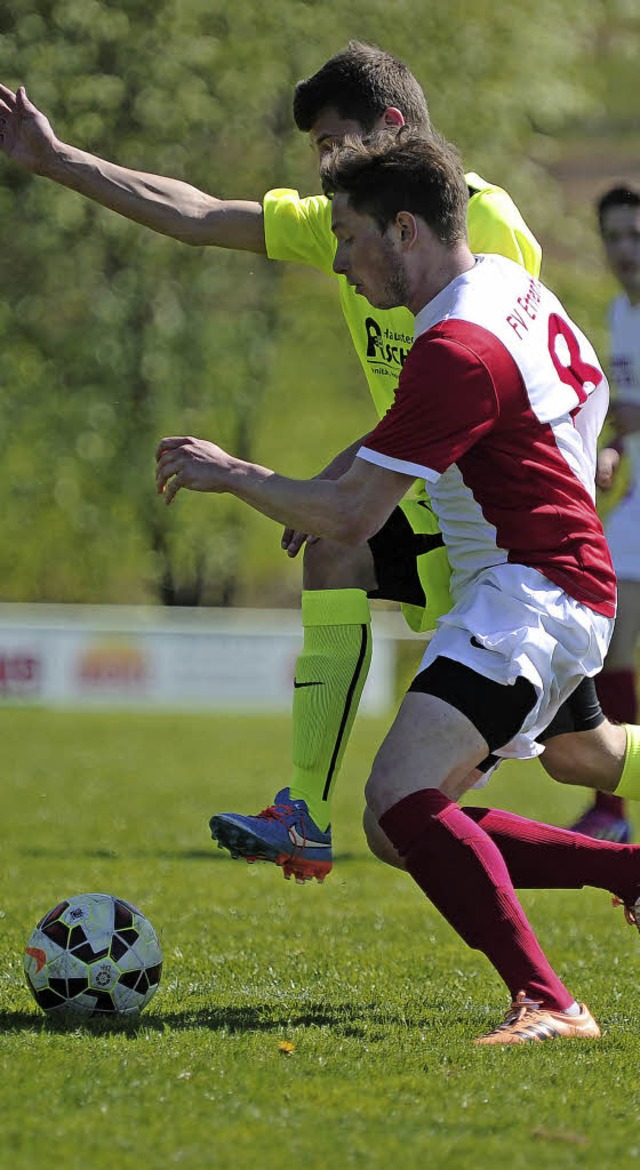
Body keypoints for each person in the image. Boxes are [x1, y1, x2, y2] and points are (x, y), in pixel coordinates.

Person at [2, 43, 640, 883]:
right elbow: (197, 214)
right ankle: (303, 811)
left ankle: (332, 819)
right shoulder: (343, 220)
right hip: (433, 488)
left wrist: (337, 481)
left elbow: (518, 375)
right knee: (573, 753)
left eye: (336, 145)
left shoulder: (478, 226)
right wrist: (58, 161)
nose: (325, 172)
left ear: (392, 131)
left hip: (500, 518)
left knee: (558, 758)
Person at [155, 128, 640, 1043]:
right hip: (547, 582)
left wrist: (232, 471)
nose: (339, 262)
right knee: (407, 822)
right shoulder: (507, 287)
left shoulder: (454, 346)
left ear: (405, 229)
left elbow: (349, 518)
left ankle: (550, 1002)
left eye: (348, 236)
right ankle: (629, 875)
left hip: (533, 594)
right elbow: (584, 393)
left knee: (397, 799)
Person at [568, 185, 640, 844]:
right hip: (636, 513)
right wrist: (615, 446)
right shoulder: (622, 313)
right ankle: (610, 812)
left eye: (635, 236)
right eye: (614, 236)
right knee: (608, 643)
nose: (624, 250)